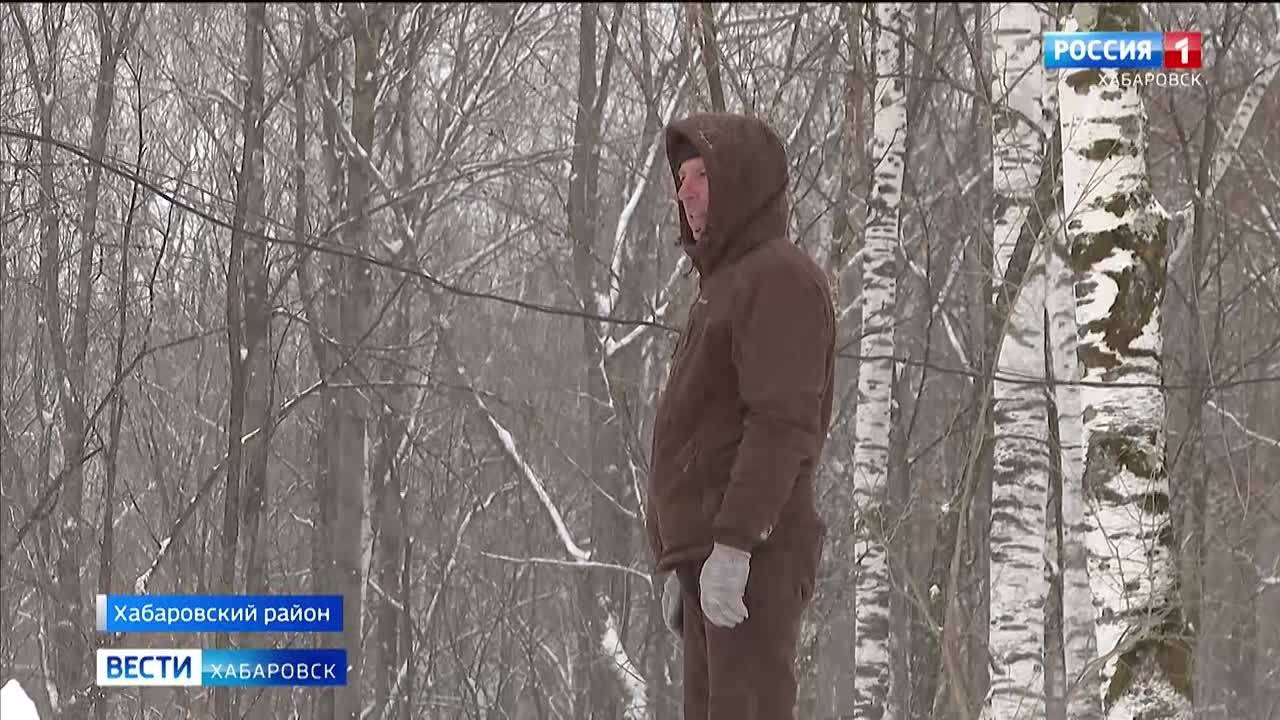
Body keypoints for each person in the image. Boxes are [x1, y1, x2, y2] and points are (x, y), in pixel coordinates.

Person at [645, 111, 836, 719]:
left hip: (755, 557)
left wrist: (733, 546)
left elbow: (781, 426)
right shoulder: (725, 288)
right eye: (680, 178)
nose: (685, 191)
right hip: (715, 558)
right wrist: (687, 556)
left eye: (700, 174)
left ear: (741, 184)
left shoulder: (777, 278)